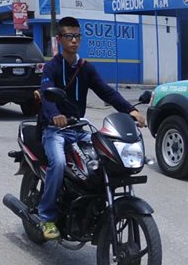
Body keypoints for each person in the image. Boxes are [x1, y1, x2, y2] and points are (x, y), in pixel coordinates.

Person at [37, 16, 144, 241]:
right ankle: (46, 217)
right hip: (54, 130)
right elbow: (47, 95)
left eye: (77, 36)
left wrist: (130, 110)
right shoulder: (52, 67)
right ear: (59, 39)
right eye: (69, 36)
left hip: (79, 128)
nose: (74, 40)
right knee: (57, 164)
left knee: (102, 160)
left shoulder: (86, 69)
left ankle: (92, 207)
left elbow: (107, 92)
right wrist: (55, 115)